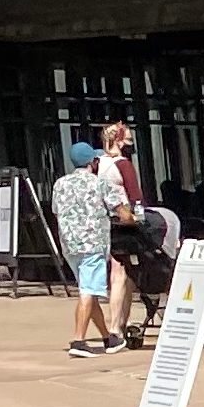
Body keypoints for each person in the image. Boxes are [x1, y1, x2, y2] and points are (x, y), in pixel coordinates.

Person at [50, 138, 118, 358]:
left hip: (70, 246)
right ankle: (78, 340)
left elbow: (55, 210)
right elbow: (119, 208)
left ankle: (109, 338)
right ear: (93, 162)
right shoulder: (99, 183)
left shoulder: (60, 184)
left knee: (88, 290)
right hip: (93, 244)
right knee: (88, 291)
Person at [98, 121, 152, 344]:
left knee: (117, 274)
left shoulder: (98, 164)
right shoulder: (123, 165)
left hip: (104, 222)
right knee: (122, 274)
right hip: (125, 223)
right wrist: (142, 221)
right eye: (127, 140)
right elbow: (135, 195)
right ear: (119, 141)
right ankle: (115, 326)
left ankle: (120, 322)